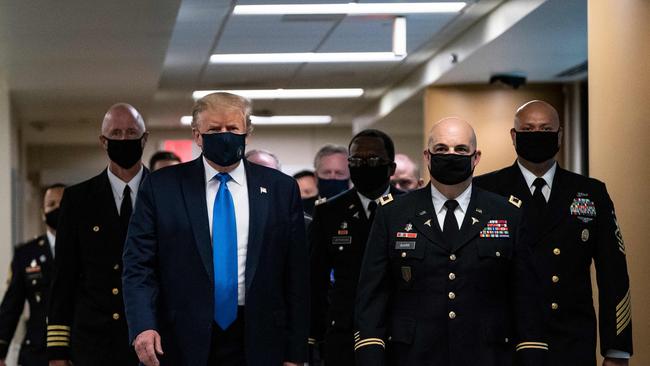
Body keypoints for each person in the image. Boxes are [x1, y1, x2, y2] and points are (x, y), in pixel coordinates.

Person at [122, 92, 309, 366]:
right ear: (197, 135)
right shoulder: (162, 187)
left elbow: (296, 274)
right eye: (214, 129)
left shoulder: (281, 189)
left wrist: (296, 352)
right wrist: (142, 325)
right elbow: (138, 264)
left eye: (233, 128)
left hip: (260, 336)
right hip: (181, 337)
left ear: (247, 131)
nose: (224, 135)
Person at [354, 117, 547, 366]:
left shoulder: (506, 213)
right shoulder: (393, 214)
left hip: (487, 355)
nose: (451, 155)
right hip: (412, 355)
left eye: (461, 150)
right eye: (442, 149)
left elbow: (527, 300)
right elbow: (372, 297)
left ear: (476, 157)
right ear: (427, 155)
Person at [473, 100, 633, 366]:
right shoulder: (485, 191)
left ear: (560, 135)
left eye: (546, 129)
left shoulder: (591, 193)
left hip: (569, 341)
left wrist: (616, 351)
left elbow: (614, 275)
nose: (537, 135)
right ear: (514, 136)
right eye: (528, 129)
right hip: (504, 342)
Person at [47, 103, 148, 366]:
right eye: (116, 133)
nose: (124, 139)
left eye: (131, 132)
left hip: (151, 339)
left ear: (144, 139)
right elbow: (64, 277)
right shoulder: (78, 199)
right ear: (103, 141)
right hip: (93, 342)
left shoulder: (164, 193)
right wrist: (58, 351)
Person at [309, 129, 402, 366]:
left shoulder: (411, 208)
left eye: (373, 160)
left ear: (390, 168)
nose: (364, 165)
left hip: (399, 332)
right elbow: (314, 283)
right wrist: (311, 339)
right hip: (344, 334)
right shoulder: (328, 213)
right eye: (356, 160)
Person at [0, 184, 65, 366]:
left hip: (78, 349)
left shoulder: (88, 249)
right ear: (43, 213)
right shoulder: (26, 254)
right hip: (37, 350)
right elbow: (11, 305)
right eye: (51, 204)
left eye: (62, 203)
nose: (57, 208)